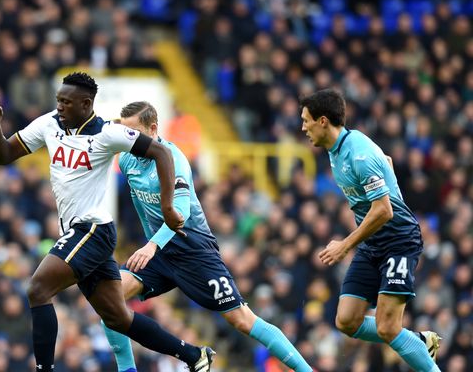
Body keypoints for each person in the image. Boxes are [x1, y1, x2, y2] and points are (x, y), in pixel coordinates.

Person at [0, 72, 214, 372]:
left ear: (86, 103)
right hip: (80, 233)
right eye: (59, 101)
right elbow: (3, 155)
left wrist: (168, 206)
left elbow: (161, 153)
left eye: (66, 102)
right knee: (118, 317)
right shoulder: (49, 124)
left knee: (38, 289)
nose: (60, 107)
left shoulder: (107, 133)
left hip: (93, 229)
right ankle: (195, 355)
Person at [101, 101, 312, 372]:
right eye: (124, 131)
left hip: (192, 249)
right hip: (161, 251)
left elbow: (181, 211)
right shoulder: (127, 158)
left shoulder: (173, 159)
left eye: (133, 131)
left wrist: (151, 245)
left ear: (153, 129)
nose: (127, 137)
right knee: (109, 299)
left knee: (242, 320)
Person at [300, 89, 441, 372]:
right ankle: (416, 340)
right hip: (374, 243)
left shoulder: (358, 153)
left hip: (399, 241)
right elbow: (385, 161)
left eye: (306, 121)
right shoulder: (336, 149)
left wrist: (345, 245)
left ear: (323, 121)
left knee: (388, 328)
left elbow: (384, 210)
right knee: (346, 321)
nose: (303, 127)